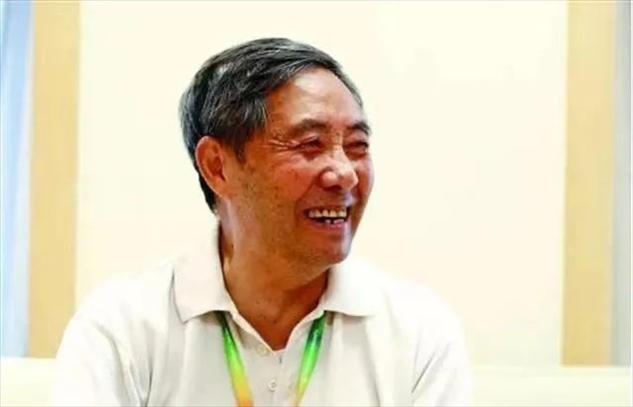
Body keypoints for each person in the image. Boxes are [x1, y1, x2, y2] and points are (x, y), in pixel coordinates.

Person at [53, 37, 472, 406]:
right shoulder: (122, 330)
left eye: (357, 145)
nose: (344, 173)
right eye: (311, 144)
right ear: (217, 166)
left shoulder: (417, 334)